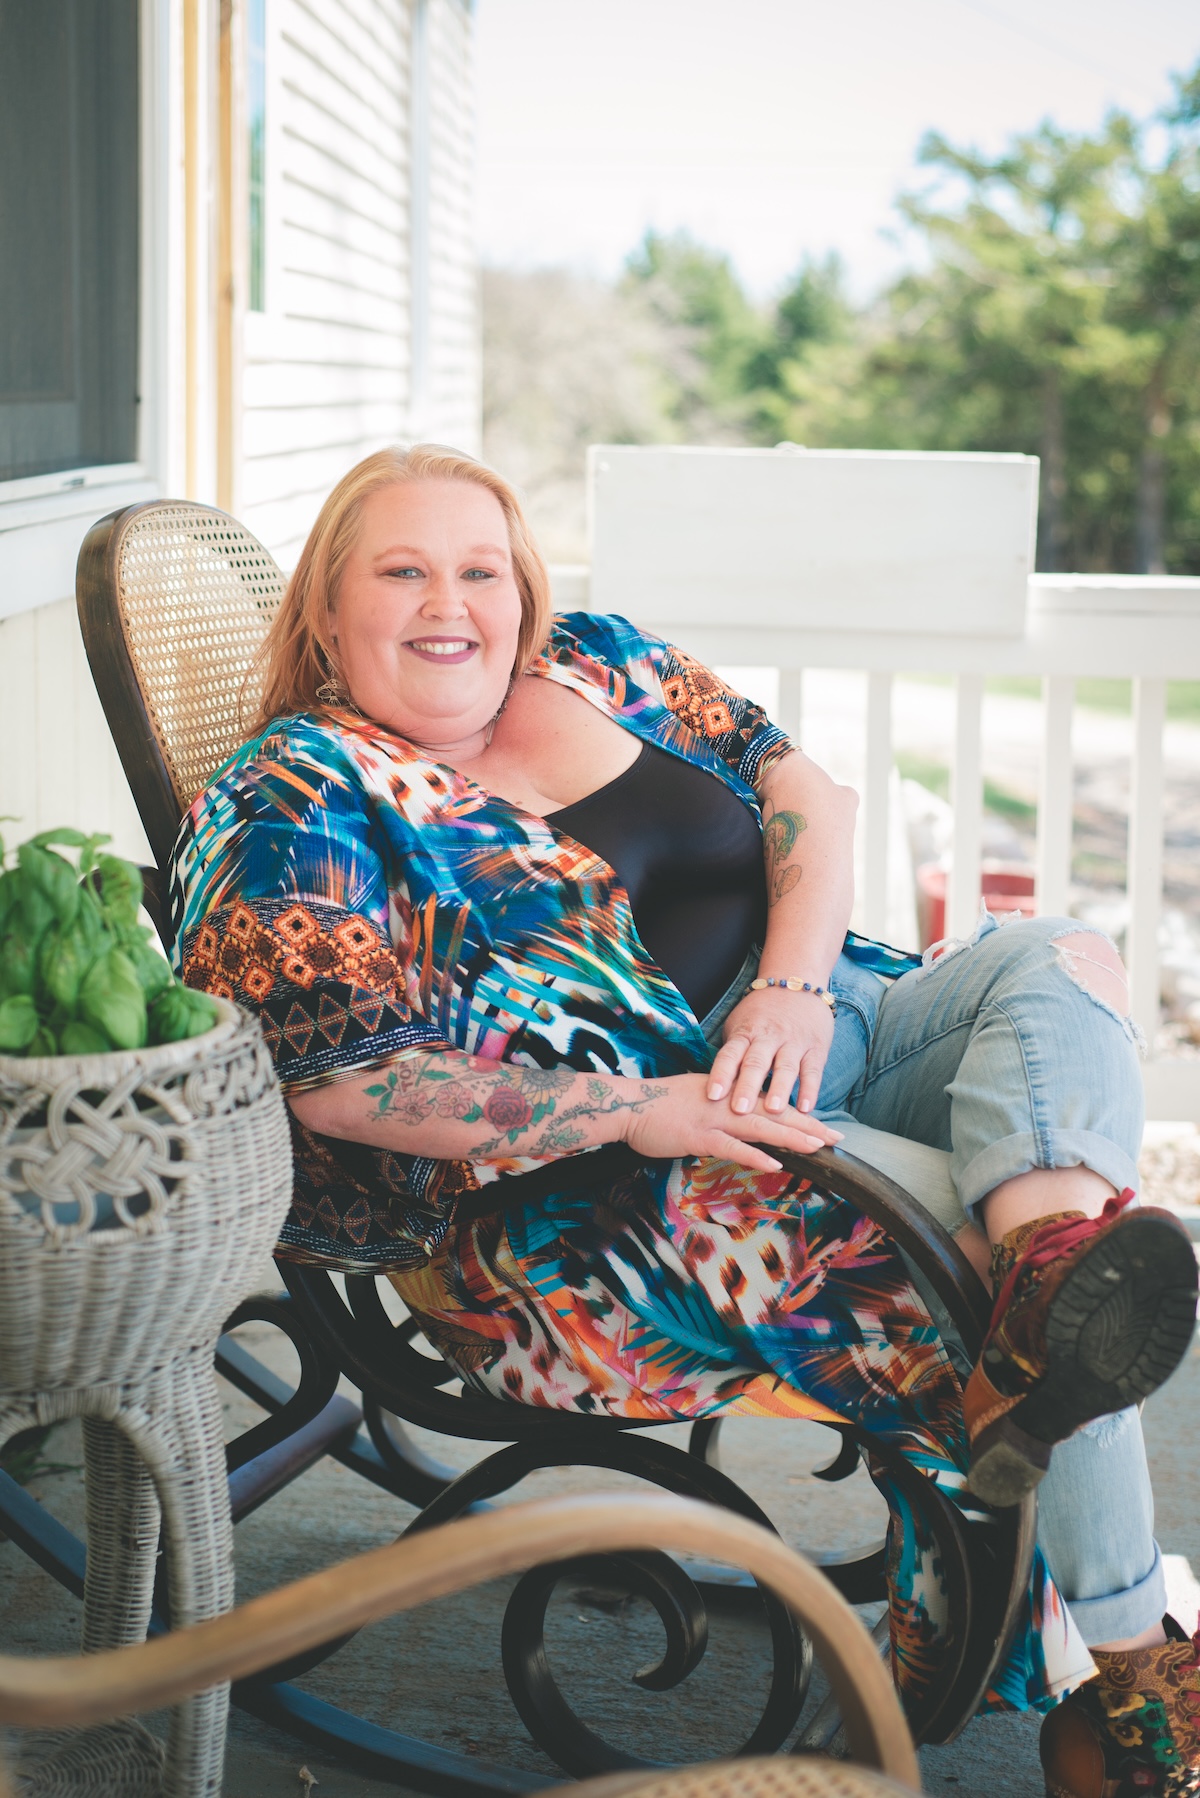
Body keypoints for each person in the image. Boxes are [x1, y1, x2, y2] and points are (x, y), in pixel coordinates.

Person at [173, 445, 1199, 1794]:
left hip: (823, 1027)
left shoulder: (596, 662)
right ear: (326, 607)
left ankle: (1053, 1254)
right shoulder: (300, 794)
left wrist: (790, 989)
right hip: (604, 1194)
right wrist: (638, 1106)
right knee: (968, 1250)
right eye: (402, 571)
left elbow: (804, 789)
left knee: (1060, 959)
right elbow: (343, 1083)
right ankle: (1138, 1678)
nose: (449, 603)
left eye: (480, 569)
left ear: (523, 590)